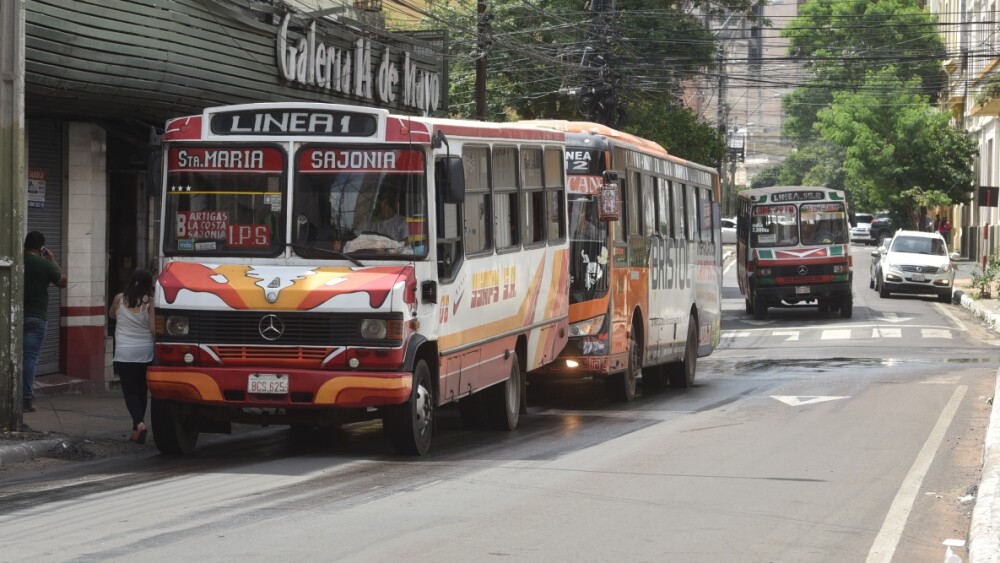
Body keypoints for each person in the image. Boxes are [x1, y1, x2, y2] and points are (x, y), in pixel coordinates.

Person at [22, 231, 67, 413]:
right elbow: (63, 282)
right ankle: (25, 398)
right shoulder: (43, 264)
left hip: (16, 315)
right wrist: (52, 259)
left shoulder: (18, 261)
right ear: (41, 248)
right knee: (30, 358)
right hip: (37, 317)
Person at [109, 269, 156, 444]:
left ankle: (139, 423)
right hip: (144, 352)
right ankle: (137, 428)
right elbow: (152, 328)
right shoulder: (150, 303)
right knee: (142, 390)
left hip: (124, 352)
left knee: (129, 391)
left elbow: (111, 315)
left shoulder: (119, 299)